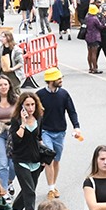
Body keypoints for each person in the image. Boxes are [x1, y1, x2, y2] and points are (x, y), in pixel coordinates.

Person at [38, 67, 82, 195]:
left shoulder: (64, 94)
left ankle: (53, 185)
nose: (61, 80)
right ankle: (51, 188)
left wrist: (76, 126)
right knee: (49, 159)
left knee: (56, 160)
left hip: (60, 132)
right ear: (51, 81)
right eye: (58, 78)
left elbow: (71, 111)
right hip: (45, 131)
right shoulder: (40, 95)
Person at [9, 90, 46, 210]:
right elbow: (16, 139)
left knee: (29, 188)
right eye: (27, 105)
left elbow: (39, 137)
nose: (30, 108)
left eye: (32, 105)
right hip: (21, 160)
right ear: (22, 106)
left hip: (36, 159)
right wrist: (23, 123)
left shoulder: (39, 118)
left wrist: (44, 156)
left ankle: (17, 207)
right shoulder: (16, 120)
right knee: (29, 191)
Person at [83, 4, 105, 74]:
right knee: (94, 53)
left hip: (88, 36)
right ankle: (95, 68)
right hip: (95, 36)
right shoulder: (95, 18)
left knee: (89, 52)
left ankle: (90, 67)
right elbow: (101, 26)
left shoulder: (87, 18)